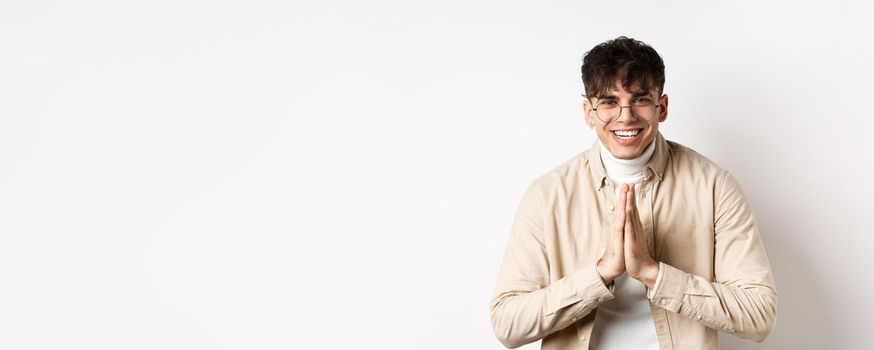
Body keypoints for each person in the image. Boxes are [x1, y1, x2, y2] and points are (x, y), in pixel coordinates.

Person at [489, 36, 777, 350]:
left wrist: (654, 274)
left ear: (662, 107)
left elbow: (759, 315)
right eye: (609, 102)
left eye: (640, 99)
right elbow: (507, 324)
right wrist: (601, 274)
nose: (626, 116)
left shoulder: (714, 187)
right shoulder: (548, 195)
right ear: (589, 112)